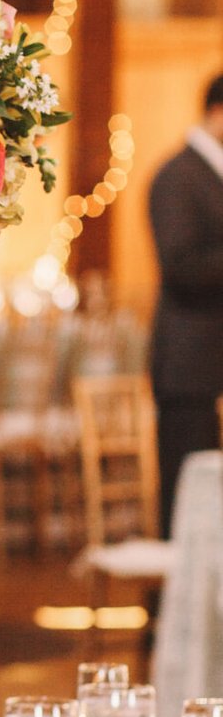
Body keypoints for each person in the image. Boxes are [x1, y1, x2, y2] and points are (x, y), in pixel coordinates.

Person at [148, 73, 223, 529]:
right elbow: (181, 266)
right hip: (189, 366)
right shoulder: (178, 176)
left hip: (209, 363)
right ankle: (176, 600)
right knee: (187, 496)